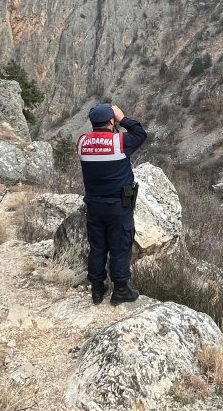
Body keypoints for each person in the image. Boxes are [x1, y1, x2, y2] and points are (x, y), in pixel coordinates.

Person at [77, 103, 149, 305]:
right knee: (120, 247)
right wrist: (123, 118)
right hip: (118, 205)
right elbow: (140, 133)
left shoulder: (82, 142)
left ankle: (97, 289)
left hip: (93, 205)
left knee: (97, 246)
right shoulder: (120, 141)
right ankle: (120, 290)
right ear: (111, 121)